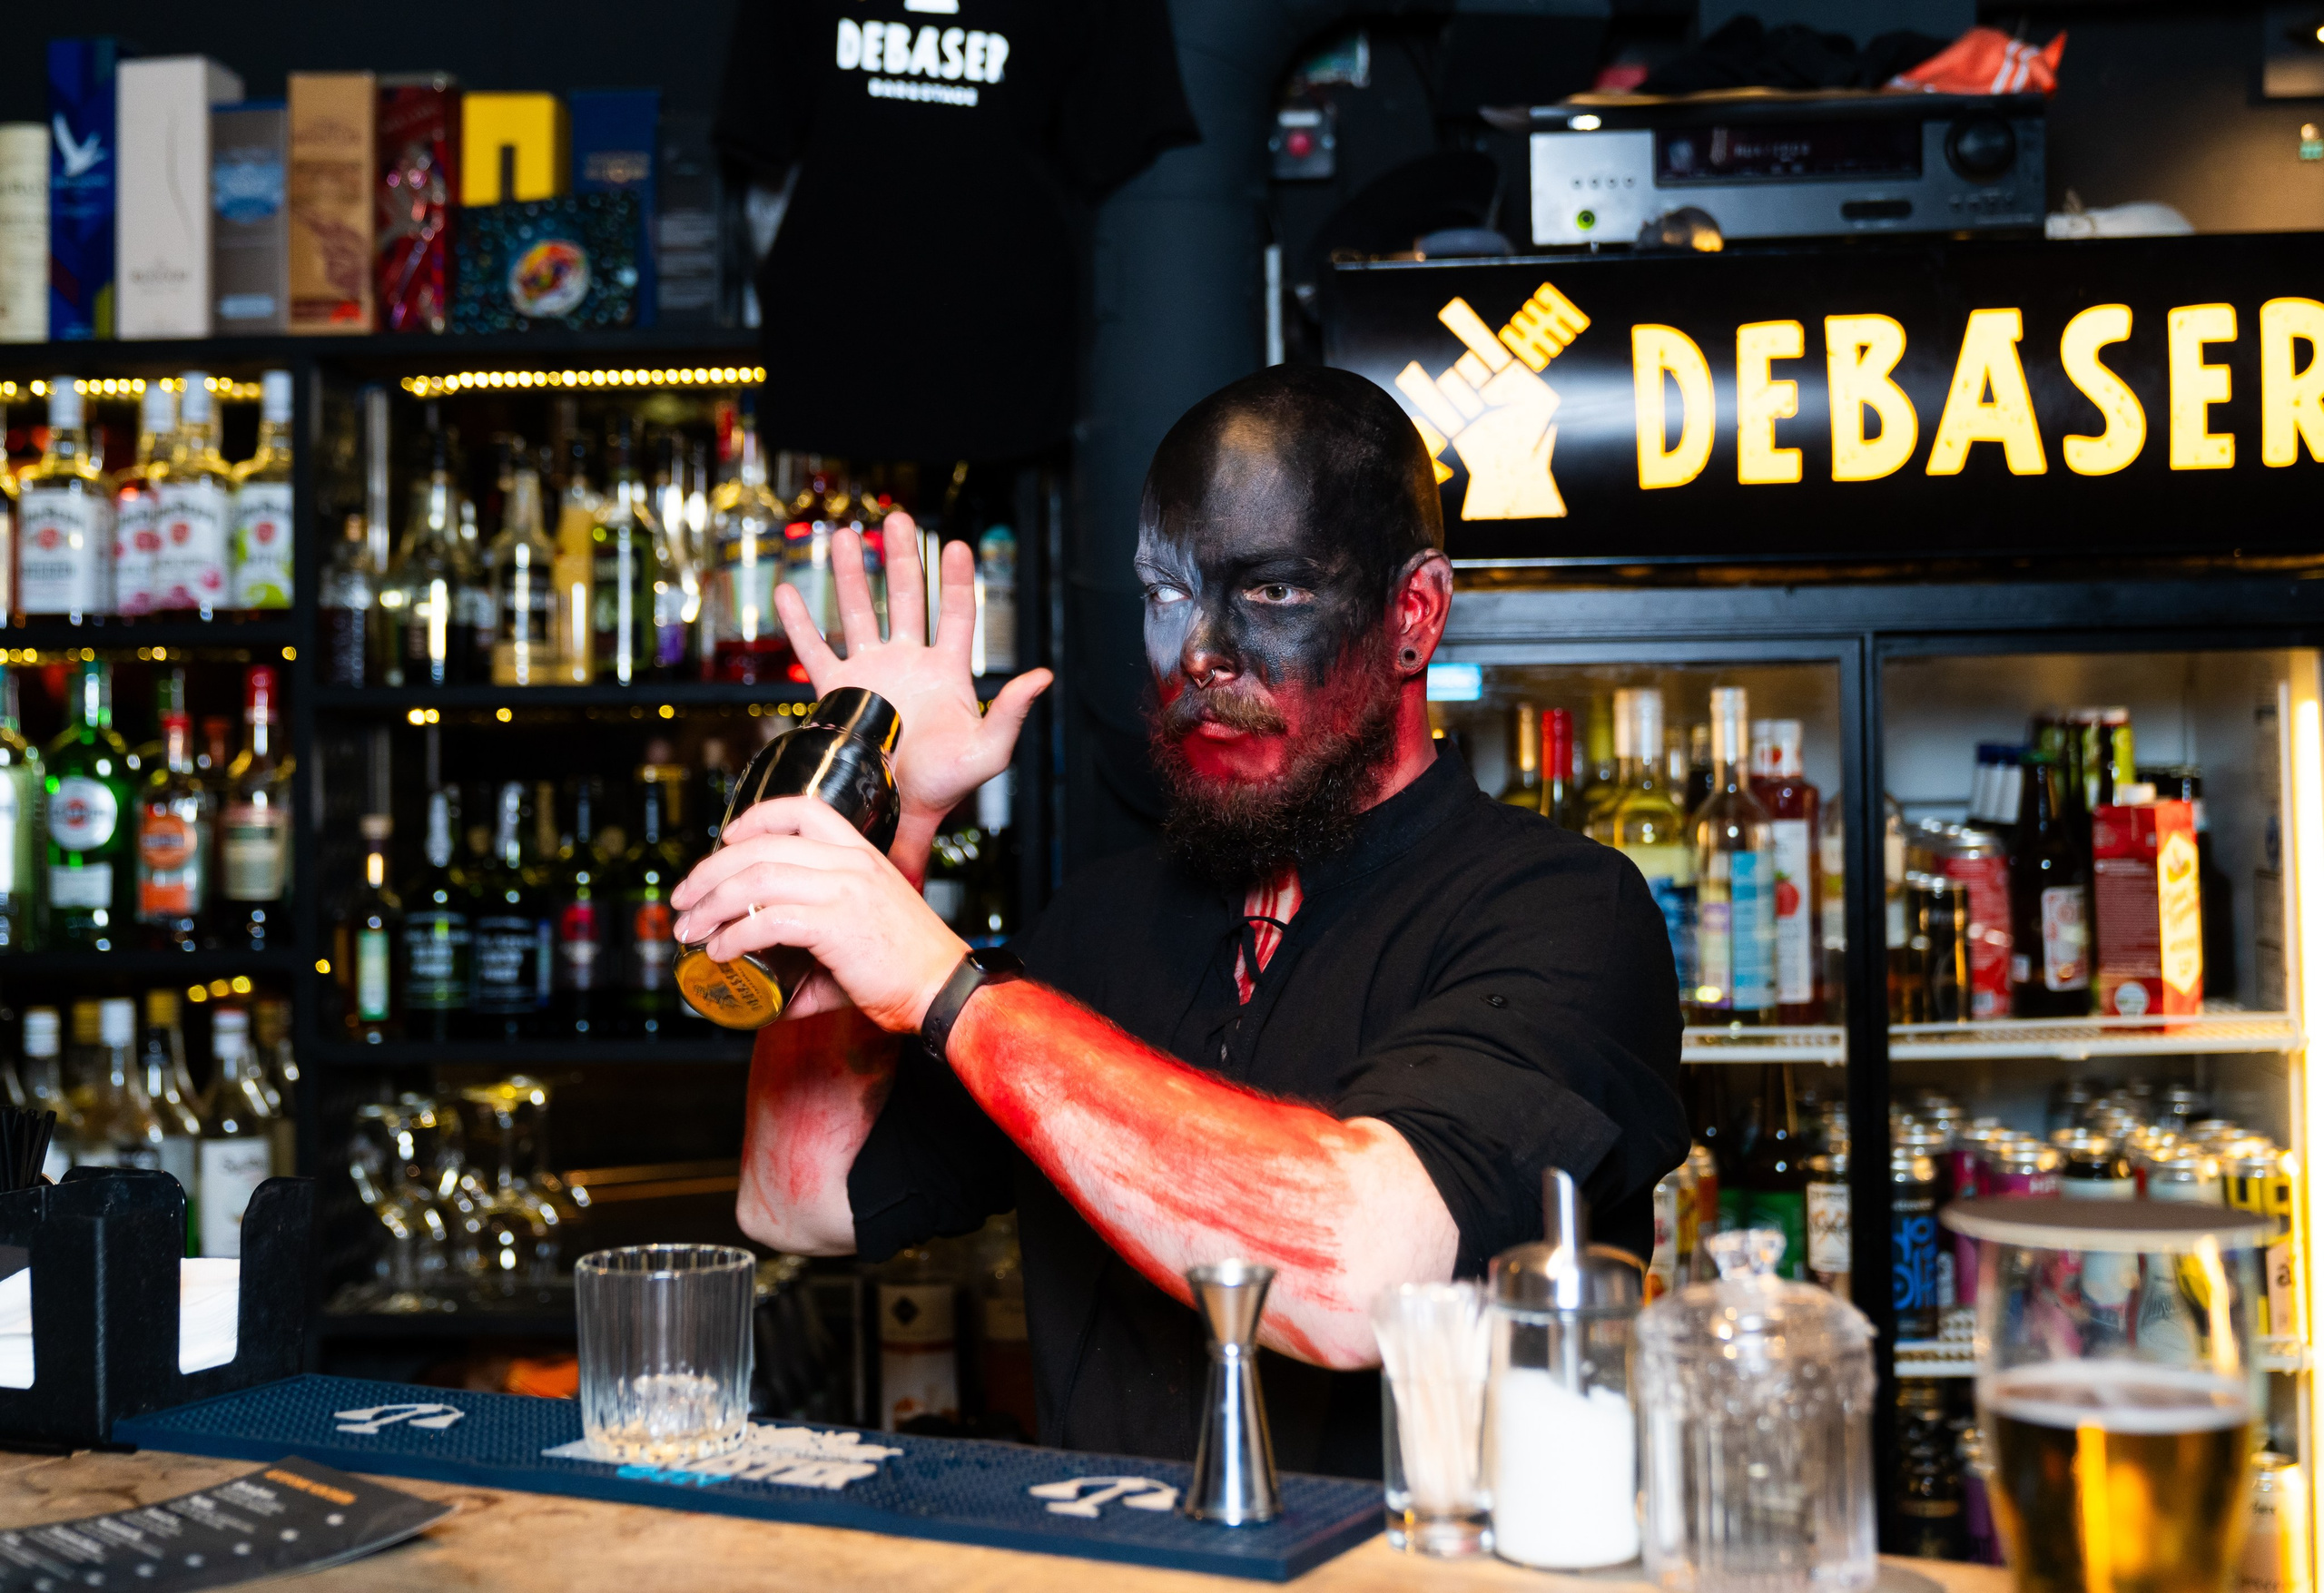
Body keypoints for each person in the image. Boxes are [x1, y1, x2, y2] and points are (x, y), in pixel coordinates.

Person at [670, 366, 1688, 1475]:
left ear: (1414, 613)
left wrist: (945, 988)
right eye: (1167, 595)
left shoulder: (1562, 910)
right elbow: (799, 1199)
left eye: (1272, 592)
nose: (1200, 650)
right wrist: (892, 820)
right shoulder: (1104, 918)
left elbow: (1357, 1279)